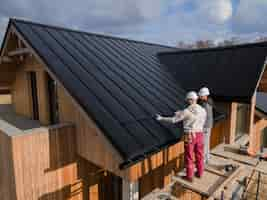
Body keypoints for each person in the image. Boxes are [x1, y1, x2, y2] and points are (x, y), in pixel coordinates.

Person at [156, 91, 206, 182]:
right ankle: (200, 173)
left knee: (189, 156)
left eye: (187, 100)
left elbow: (173, 120)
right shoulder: (203, 110)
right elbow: (195, 117)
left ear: (190, 100)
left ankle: (190, 177)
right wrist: (180, 113)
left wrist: (161, 118)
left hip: (190, 136)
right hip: (200, 135)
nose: (187, 102)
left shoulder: (186, 111)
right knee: (199, 155)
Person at [198, 87, 214, 164]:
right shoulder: (209, 101)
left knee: (204, 143)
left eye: (201, 96)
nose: (200, 97)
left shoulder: (205, 105)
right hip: (209, 125)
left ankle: (203, 160)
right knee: (207, 142)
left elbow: (202, 116)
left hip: (205, 126)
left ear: (205, 95)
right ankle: (207, 157)